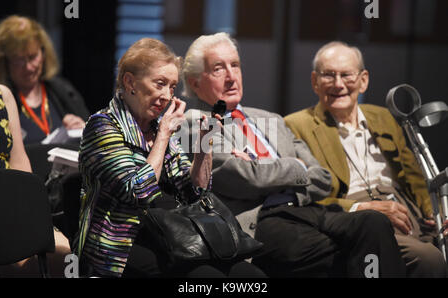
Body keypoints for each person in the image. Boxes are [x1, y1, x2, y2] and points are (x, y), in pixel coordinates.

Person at [180, 32, 406, 277]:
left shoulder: (272, 119)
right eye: (218, 69)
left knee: (373, 222)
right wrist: (295, 167)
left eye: (234, 65)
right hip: (261, 221)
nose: (231, 76)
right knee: (346, 252)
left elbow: (322, 178)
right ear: (194, 83)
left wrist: (268, 171)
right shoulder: (195, 124)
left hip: (304, 208)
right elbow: (241, 177)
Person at [71, 38, 266, 278]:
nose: (167, 96)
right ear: (129, 81)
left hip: (171, 234)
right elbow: (138, 192)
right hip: (121, 244)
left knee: (250, 275)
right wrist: (163, 135)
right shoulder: (103, 126)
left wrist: (205, 143)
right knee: (206, 278)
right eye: (160, 84)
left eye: (172, 87)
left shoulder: (156, 127)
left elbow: (194, 193)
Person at [284, 41, 447, 277]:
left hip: (406, 209)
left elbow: (415, 178)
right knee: (430, 260)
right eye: (329, 75)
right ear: (314, 82)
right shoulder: (297, 125)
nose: (338, 84)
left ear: (363, 80)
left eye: (347, 75)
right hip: (357, 216)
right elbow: (305, 197)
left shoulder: (383, 116)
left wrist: (436, 212)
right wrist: (362, 207)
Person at [0, 84, 71, 278]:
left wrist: (32, 218)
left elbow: (19, 161)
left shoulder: (2, 94)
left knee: (69, 257)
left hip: (11, 207)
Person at [0, 15, 89, 145]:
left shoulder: (63, 90)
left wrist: (82, 128)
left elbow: (94, 141)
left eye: (33, 56)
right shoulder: (1, 101)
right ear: (4, 62)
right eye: (19, 60)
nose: (28, 67)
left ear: (43, 53)